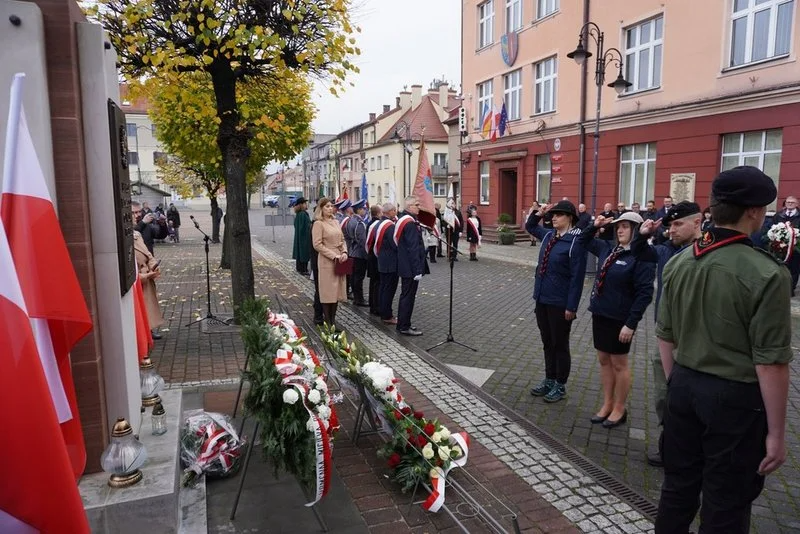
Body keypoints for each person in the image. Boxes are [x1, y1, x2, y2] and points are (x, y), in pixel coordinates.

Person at [654, 166, 792, 533]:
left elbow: (664, 335)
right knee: (726, 504)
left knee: (677, 490)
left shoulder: (680, 261)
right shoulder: (767, 273)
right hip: (734, 400)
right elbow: (771, 362)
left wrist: (676, 383)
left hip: (682, 385)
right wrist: (776, 433)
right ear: (754, 212)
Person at [631, 201, 702, 467]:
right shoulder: (665, 251)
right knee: (664, 394)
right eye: (670, 225)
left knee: (695, 396)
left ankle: (694, 449)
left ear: (697, 222)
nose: (671, 230)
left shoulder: (707, 251)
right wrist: (643, 235)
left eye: (678, 224)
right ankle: (669, 444)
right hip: (667, 336)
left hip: (697, 336)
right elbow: (640, 253)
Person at [579, 211, 656, 429]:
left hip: (620, 319)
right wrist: (594, 226)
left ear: (636, 230)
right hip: (600, 313)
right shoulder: (608, 248)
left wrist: (631, 324)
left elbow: (644, 293)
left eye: (625, 226)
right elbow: (583, 240)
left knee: (619, 364)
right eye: (618, 226)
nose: (620, 230)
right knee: (604, 359)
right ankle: (608, 403)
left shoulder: (642, 255)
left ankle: (620, 408)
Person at [525, 200, 587, 403]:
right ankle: (549, 378)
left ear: (570, 218)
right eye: (553, 214)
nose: (554, 217)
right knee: (547, 341)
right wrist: (539, 213)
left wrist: (572, 306)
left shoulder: (575, 242)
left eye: (559, 214)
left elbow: (577, 278)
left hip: (560, 302)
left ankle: (560, 384)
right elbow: (530, 226)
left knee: (560, 343)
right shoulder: (549, 236)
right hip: (542, 298)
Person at [311, 198, 348, 329]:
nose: (330, 208)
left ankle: (333, 320)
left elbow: (342, 239)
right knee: (327, 292)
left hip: (340, 259)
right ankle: (327, 322)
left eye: (331, 206)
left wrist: (344, 252)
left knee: (336, 292)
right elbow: (317, 244)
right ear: (321, 208)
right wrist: (333, 255)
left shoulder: (336, 222)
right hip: (327, 260)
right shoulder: (318, 224)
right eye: (327, 206)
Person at [395, 196, 429, 336]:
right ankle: (404, 326)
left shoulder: (405, 219)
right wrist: (417, 269)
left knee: (407, 295)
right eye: (416, 205)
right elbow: (413, 248)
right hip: (410, 267)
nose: (419, 207)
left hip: (406, 265)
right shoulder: (409, 223)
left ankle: (404, 323)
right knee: (408, 297)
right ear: (409, 207)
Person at [133, 229, 164, 340]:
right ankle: (142, 332)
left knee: (147, 306)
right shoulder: (123, 237)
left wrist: (154, 265)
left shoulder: (137, 235)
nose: (135, 219)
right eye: (133, 214)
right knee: (138, 308)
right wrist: (141, 276)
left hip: (146, 275)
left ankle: (148, 329)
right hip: (137, 278)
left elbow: (148, 254)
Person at [773, 195, 800, 295]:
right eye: (788, 202)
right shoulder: (778, 215)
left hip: (796, 247)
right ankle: (780, 289)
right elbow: (772, 228)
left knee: (794, 269)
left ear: (796, 204)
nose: (790, 204)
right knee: (781, 268)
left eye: (792, 202)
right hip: (780, 247)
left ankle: (790, 290)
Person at [377, 202, 399, 325]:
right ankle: (387, 315)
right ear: (390, 212)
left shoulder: (381, 223)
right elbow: (394, 244)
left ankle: (383, 311)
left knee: (383, 288)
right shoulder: (389, 226)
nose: (395, 212)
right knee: (388, 290)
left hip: (383, 260)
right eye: (394, 210)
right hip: (390, 262)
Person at [347, 199, 369, 306]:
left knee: (354, 277)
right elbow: (363, 241)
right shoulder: (359, 223)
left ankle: (356, 298)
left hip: (352, 251)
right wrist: (367, 255)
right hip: (359, 254)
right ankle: (359, 299)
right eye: (364, 208)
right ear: (359, 210)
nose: (365, 210)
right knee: (358, 278)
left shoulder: (351, 220)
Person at [365, 204, 384, 316]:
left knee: (374, 283)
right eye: (381, 212)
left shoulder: (371, 223)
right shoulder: (376, 225)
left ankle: (373, 304)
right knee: (377, 283)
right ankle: (375, 306)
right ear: (378, 213)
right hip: (375, 257)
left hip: (371, 256)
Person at [292, 197, 311, 275]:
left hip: (300, 237)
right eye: (305, 203)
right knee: (304, 253)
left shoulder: (299, 214)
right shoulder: (303, 214)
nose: (306, 204)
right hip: (304, 237)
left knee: (300, 253)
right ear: (301, 205)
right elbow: (306, 226)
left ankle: (300, 268)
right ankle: (303, 269)